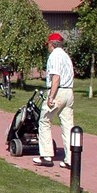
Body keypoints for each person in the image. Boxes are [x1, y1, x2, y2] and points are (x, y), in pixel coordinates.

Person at [35, 32, 75, 167]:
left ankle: (46, 155)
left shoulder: (55, 56)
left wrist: (51, 96)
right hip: (69, 91)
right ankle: (71, 158)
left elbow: (56, 77)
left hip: (58, 91)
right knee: (68, 125)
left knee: (45, 121)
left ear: (51, 44)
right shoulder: (66, 56)